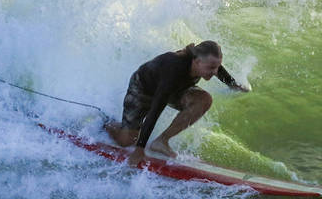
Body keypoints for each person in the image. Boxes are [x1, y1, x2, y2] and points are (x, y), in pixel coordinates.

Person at [105, 41, 249, 166]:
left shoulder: (201, 59)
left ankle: (161, 141)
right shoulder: (173, 69)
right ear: (197, 61)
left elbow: (216, 66)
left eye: (217, 67)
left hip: (177, 89)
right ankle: (109, 124)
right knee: (127, 141)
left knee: (204, 99)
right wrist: (140, 149)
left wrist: (232, 84)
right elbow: (155, 109)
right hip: (143, 89)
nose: (215, 71)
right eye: (211, 68)